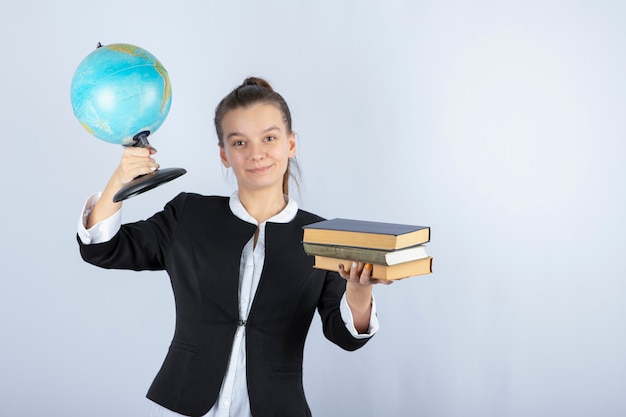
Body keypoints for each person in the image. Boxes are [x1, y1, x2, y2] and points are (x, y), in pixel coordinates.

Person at [77, 77, 389, 417]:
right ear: (224, 155)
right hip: (185, 404)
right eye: (239, 143)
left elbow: (346, 337)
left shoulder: (323, 236)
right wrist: (119, 180)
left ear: (291, 144)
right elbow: (102, 248)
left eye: (269, 138)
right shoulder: (188, 216)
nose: (256, 154)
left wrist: (359, 292)